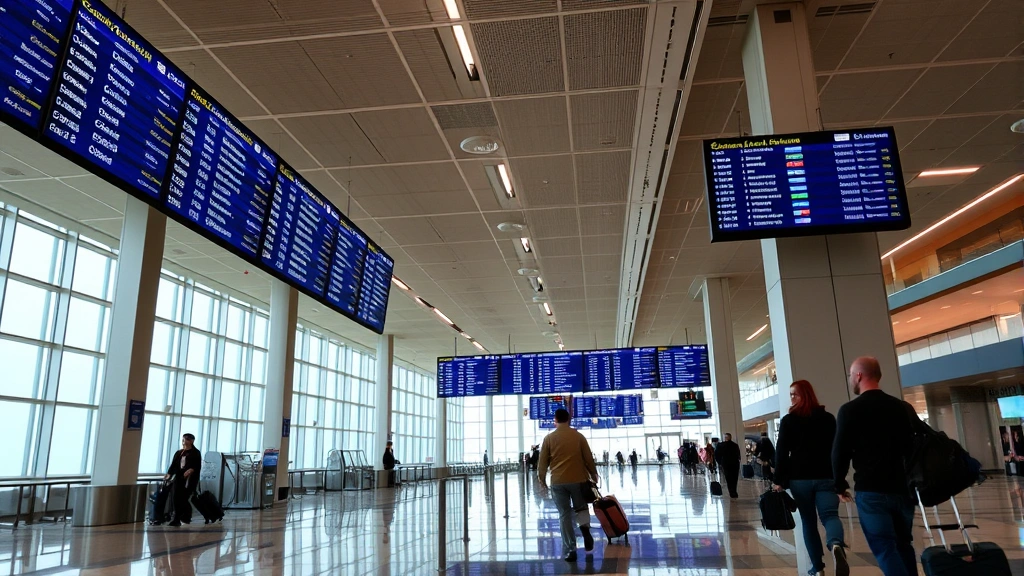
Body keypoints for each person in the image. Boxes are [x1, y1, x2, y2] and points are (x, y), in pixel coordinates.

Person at [833, 356, 919, 576]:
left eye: (851, 374)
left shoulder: (850, 410)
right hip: (902, 489)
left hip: (871, 490)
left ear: (859, 375)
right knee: (903, 544)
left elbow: (840, 451)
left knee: (884, 548)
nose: (851, 378)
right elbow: (912, 447)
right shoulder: (901, 407)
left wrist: (839, 484)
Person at [773, 380, 849, 576]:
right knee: (830, 516)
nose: (791, 398)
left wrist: (779, 480)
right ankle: (836, 545)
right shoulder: (828, 418)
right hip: (826, 476)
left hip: (800, 479)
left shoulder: (789, 421)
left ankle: (818, 568)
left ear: (804, 395)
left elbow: (781, 453)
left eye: (794, 394)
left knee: (808, 522)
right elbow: (837, 450)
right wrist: (840, 480)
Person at [537, 408, 600, 562]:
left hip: (558, 482)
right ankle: (585, 530)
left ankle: (570, 549)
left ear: (555, 420)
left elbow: (542, 463)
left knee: (564, 515)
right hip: (579, 480)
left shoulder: (549, 439)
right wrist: (593, 474)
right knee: (581, 508)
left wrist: (542, 480)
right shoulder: (578, 436)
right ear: (569, 419)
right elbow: (588, 458)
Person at [163, 433, 201, 527]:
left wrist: (191, 470)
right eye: (183, 439)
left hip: (189, 480)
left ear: (192, 441)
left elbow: (197, 466)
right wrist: (169, 474)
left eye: (187, 439)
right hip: (179, 478)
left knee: (183, 498)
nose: (184, 441)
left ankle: (184, 516)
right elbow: (173, 465)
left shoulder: (195, 452)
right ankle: (178, 518)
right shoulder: (179, 453)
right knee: (176, 498)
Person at [715, 433, 741, 498]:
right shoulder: (735, 445)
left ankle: (731, 492)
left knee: (728, 478)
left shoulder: (720, 445)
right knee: (734, 478)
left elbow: (717, 455)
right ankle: (734, 491)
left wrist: (720, 463)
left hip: (726, 464)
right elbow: (738, 455)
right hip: (735, 464)